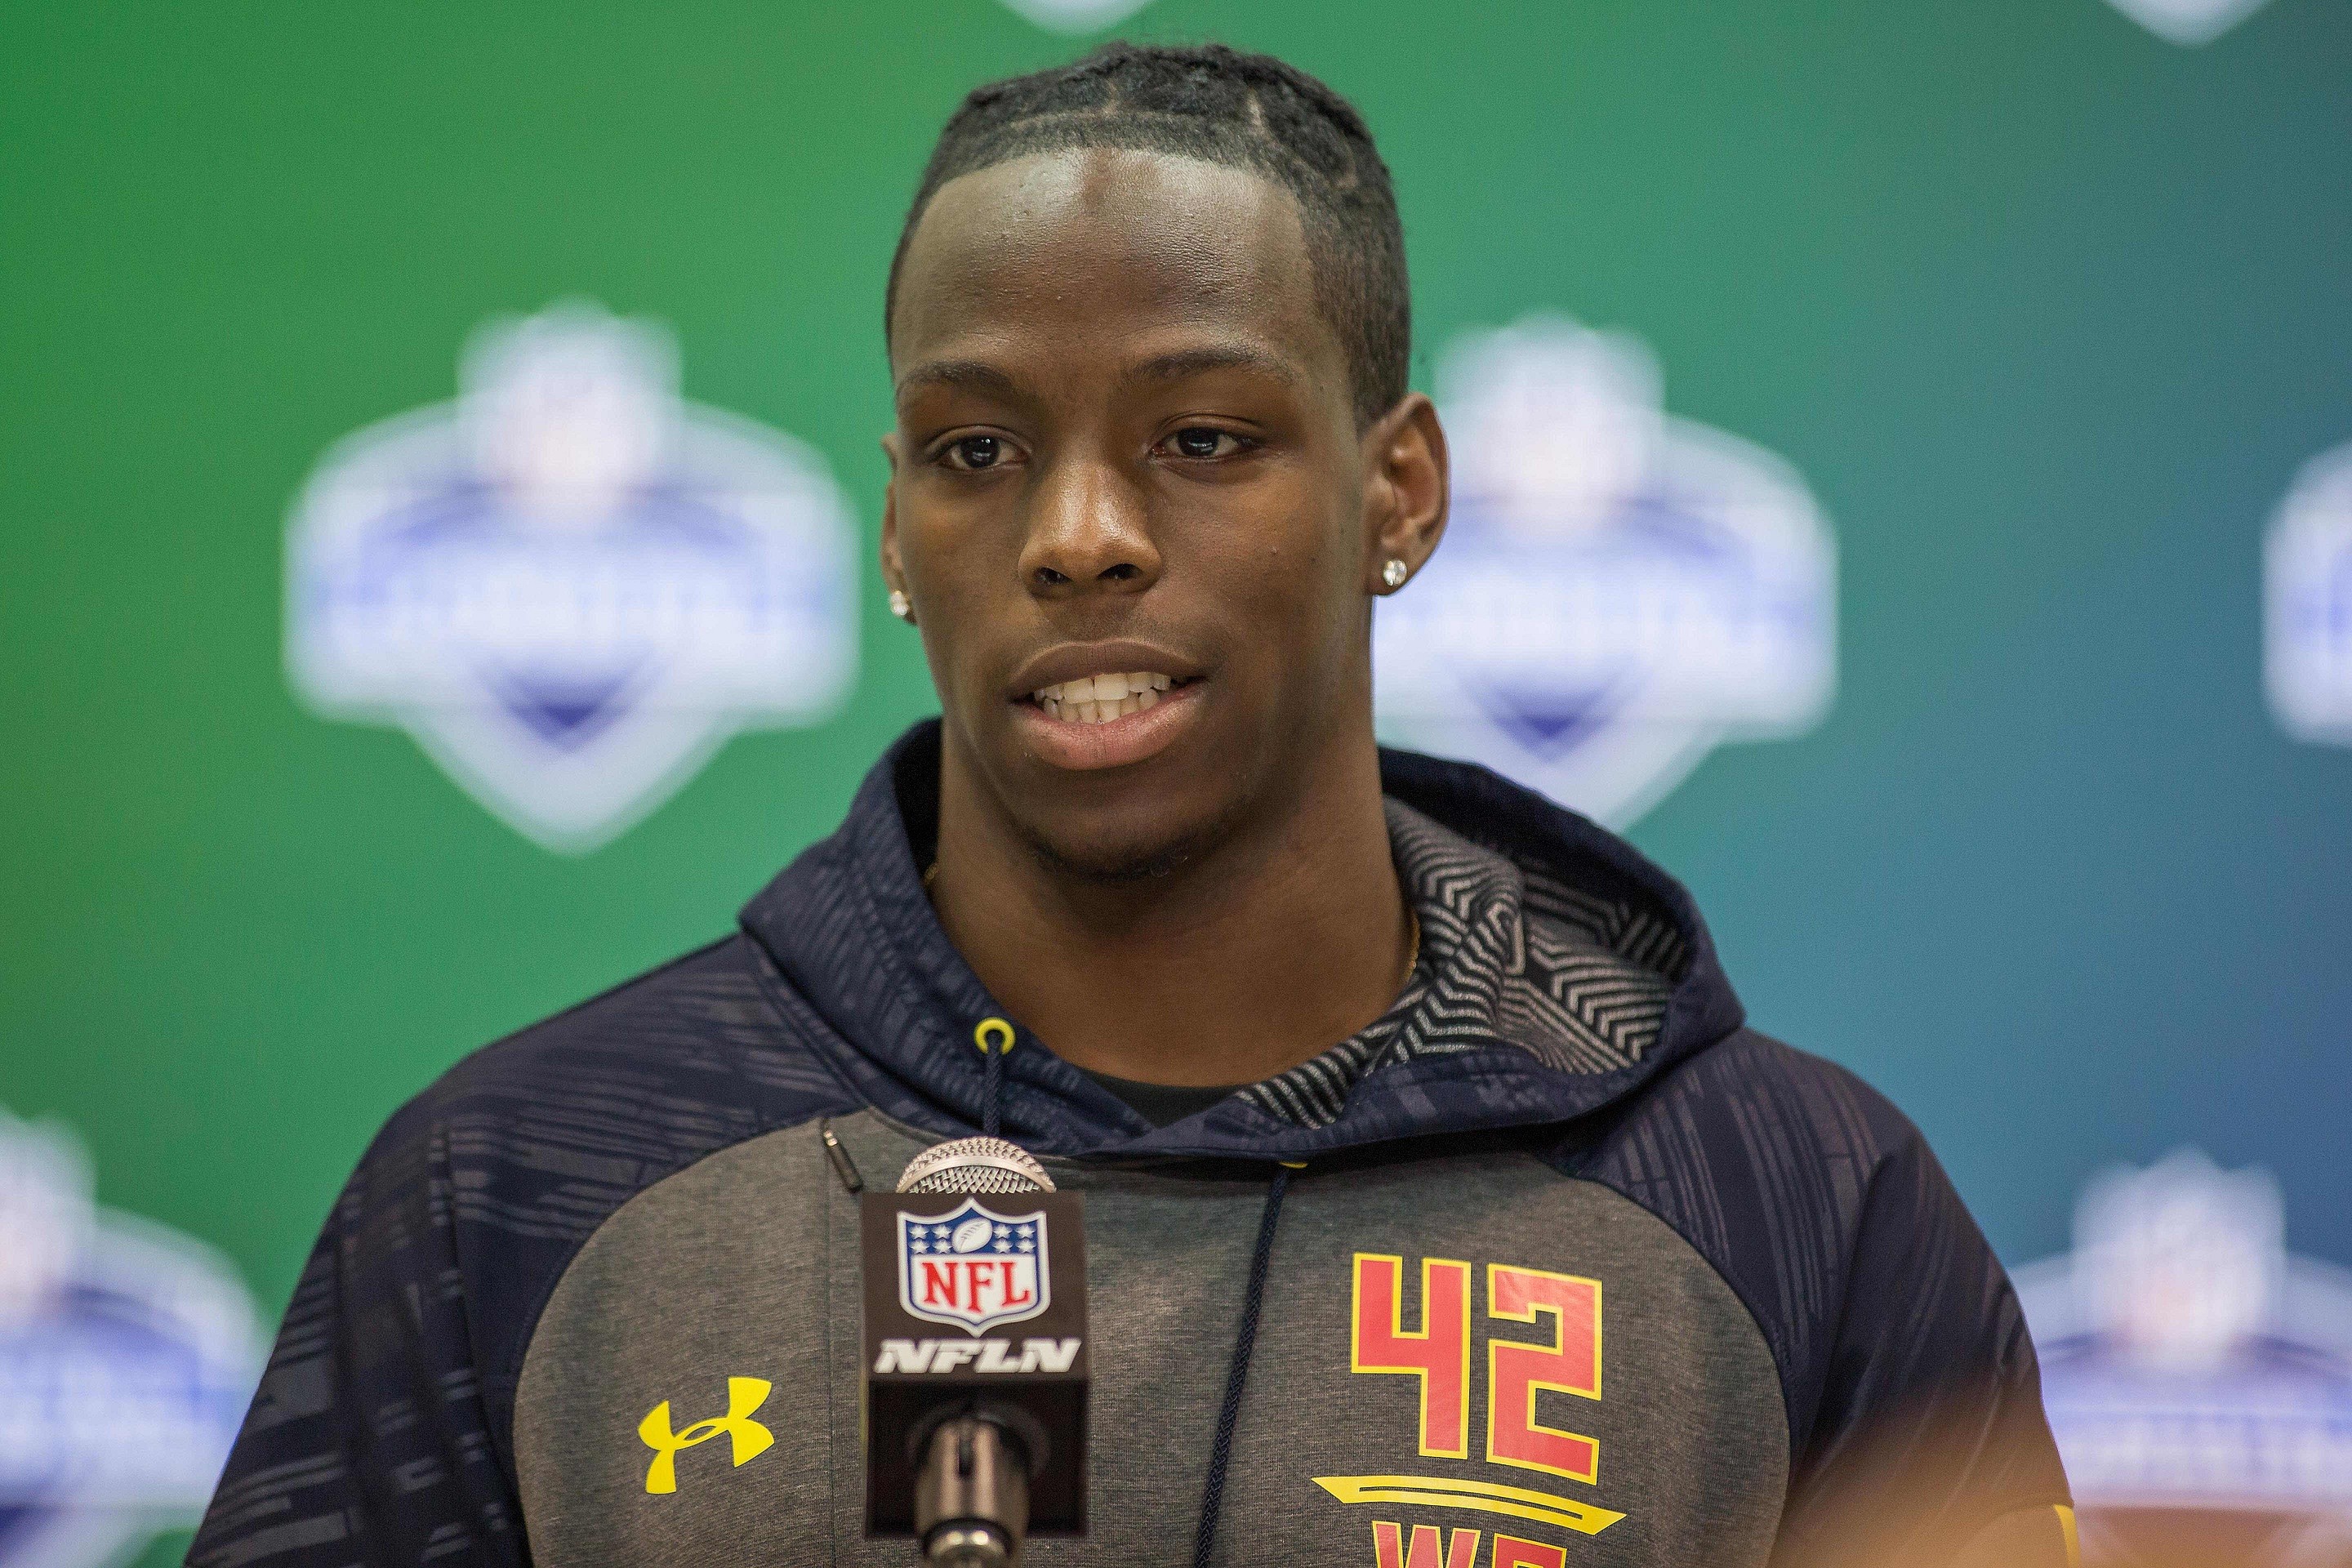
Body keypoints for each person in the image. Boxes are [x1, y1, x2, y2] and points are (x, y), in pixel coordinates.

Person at [190, 42, 2073, 1568]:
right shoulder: (517, 1189)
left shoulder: (1799, 1209)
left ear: (1398, 492)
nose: (1079, 536)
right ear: (896, 530)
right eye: (979, 450)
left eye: (1201, 439)